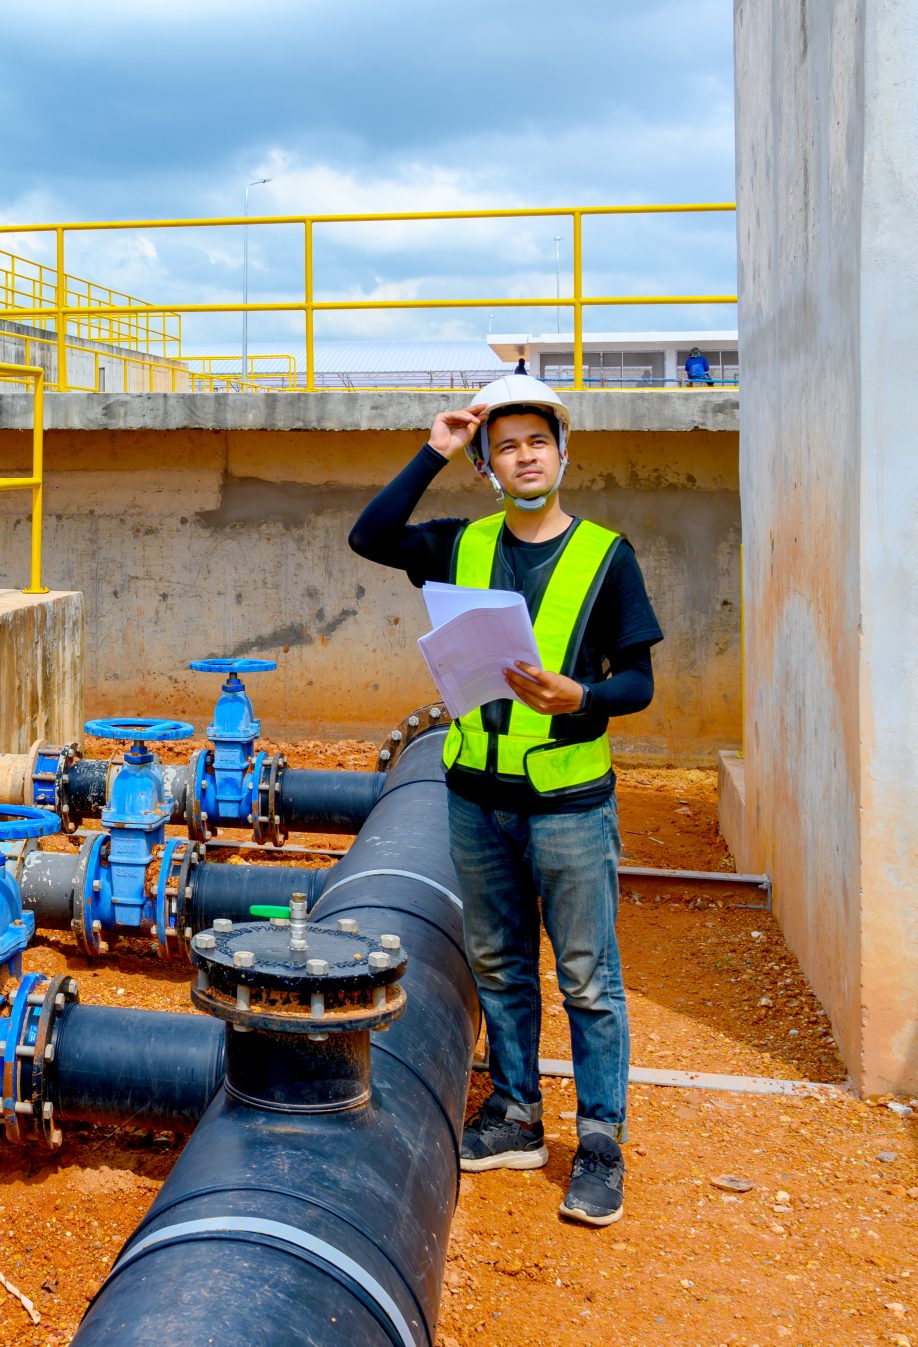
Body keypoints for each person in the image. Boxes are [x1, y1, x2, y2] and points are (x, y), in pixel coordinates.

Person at [344, 373, 662, 1227]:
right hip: (476, 797)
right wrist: (435, 448)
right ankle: (518, 1113)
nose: (525, 457)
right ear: (488, 464)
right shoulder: (460, 543)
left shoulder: (606, 555)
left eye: (538, 442)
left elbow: (638, 680)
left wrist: (583, 699)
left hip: (567, 803)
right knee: (500, 966)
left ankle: (599, 1142)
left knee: (589, 979)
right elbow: (369, 535)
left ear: (563, 452)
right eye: (506, 446)